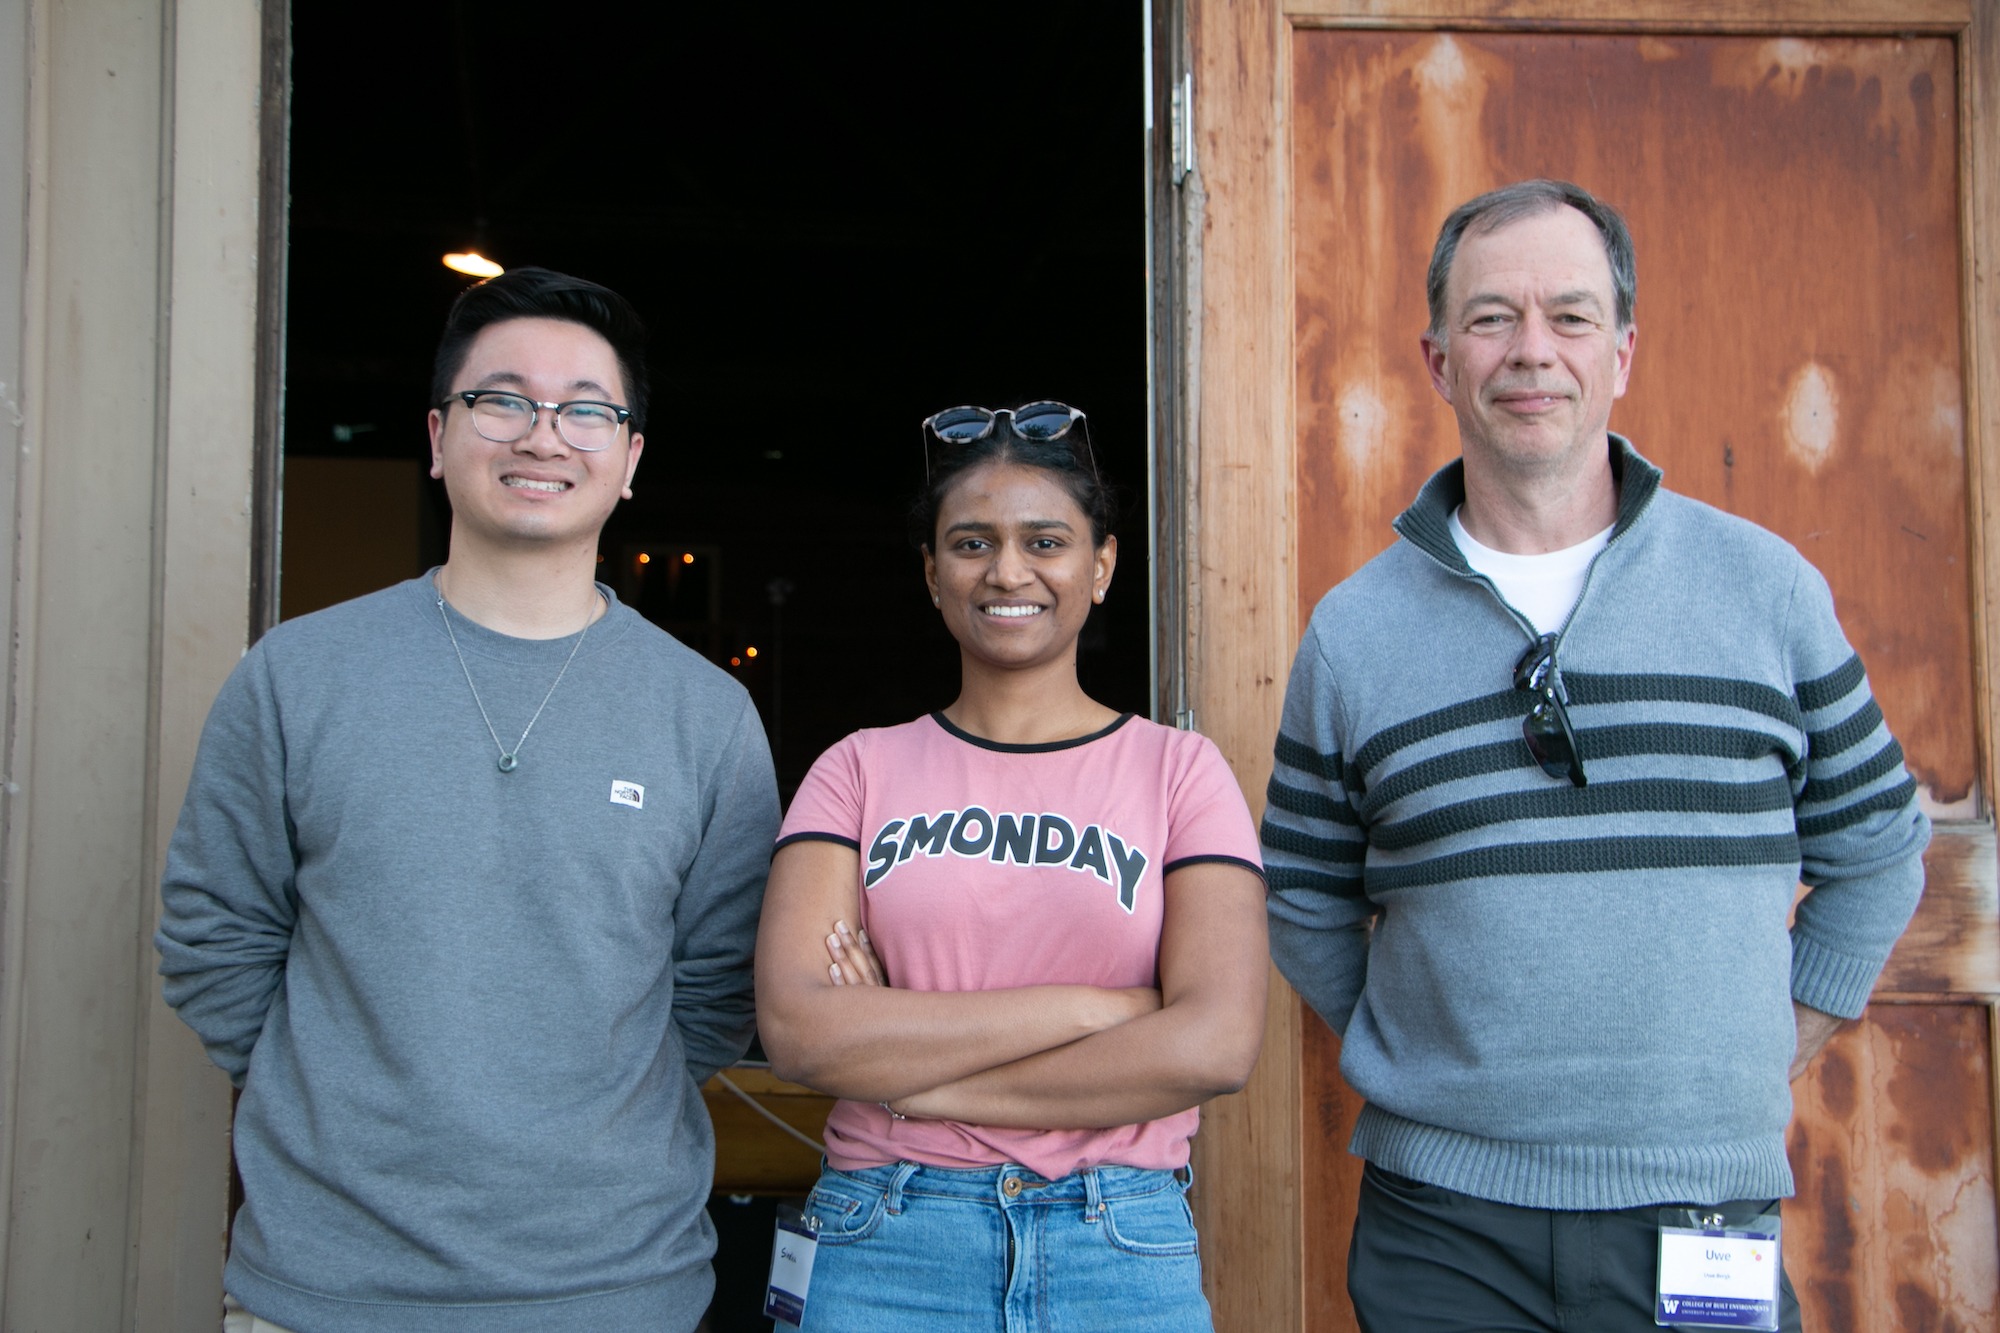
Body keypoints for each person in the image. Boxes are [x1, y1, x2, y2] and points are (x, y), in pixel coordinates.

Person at [1261, 180, 1931, 1332]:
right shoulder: (1353, 634)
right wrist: (1443, 1052)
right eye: (1490, 319)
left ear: (1620, 352)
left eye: (1568, 317)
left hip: (1698, 1211)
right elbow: (1305, 901)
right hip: (1442, 1227)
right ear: (1435, 360)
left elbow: (1877, 849)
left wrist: (1779, 1027)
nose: (1531, 352)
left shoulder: (1763, 590)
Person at [156, 267, 780, 1332]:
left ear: (628, 460)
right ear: (439, 436)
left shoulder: (705, 715)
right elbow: (214, 931)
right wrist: (337, 1093)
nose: (544, 436)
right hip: (323, 1288)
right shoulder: (298, 675)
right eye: (502, 400)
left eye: (587, 409)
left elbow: (719, 984)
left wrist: (578, 1116)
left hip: (611, 1288)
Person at [754, 403, 1268, 1331]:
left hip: (1116, 1239)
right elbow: (797, 1030)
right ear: (931, 573)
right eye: (970, 541)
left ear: (1102, 566)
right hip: (887, 1237)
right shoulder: (857, 770)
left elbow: (1214, 1044)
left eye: (1046, 539)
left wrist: (910, 1078)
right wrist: (1098, 1009)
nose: (1007, 570)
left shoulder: (1180, 771)